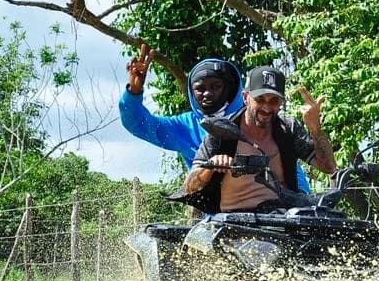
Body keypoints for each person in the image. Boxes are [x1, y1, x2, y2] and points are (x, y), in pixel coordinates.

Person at [120, 44, 310, 190]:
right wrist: (134, 92)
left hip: (275, 211)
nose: (207, 93)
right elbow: (138, 124)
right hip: (220, 218)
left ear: (229, 88)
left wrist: (302, 200)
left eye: (215, 86)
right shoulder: (185, 126)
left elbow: (288, 165)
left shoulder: (256, 117)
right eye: (200, 88)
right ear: (191, 92)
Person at [178, 65, 338, 213]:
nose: (267, 107)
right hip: (236, 222)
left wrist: (315, 128)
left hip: (284, 219)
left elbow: (329, 167)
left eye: (274, 101)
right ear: (245, 97)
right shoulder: (222, 132)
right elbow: (189, 187)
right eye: (260, 99)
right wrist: (210, 167)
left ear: (281, 102)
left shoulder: (288, 128)